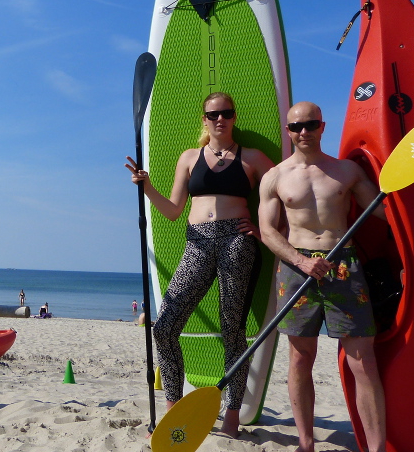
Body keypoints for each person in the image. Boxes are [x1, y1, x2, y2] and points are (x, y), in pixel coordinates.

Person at [126, 91, 273, 437]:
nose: (220, 119)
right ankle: (174, 408)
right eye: (213, 114)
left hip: (237, 241)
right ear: (204, 120)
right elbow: (174, 210)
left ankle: (234, 414)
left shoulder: (253, 158)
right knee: (164, 327)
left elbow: (284, 191)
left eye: (226, 113)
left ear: (234, 117)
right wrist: (147, 187)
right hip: (197, 241)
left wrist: (265, 230)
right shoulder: (190, 157)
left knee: (232, 328)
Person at [258, 101, 387, 452]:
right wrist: (301, 262)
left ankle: (376, 448)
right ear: (288, 131)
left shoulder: (346, 172)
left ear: (322, 126)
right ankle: (305, 442)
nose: (303, 132)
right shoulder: (276, 177)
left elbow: (383, 214)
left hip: (343, 265)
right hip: (296, 270)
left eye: (310, 124)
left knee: (363, 359)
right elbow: (268, 232)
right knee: (301, 358)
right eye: (296, 126)